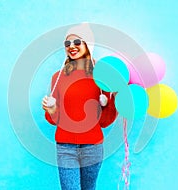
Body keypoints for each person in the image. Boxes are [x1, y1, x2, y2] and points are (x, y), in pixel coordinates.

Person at [42, 23, 117, 190]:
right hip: (65, 147)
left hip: (93, 147)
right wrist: (52, 109)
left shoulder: (101, 74)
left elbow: (104, 122)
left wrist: (111, 100)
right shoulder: (58, 76)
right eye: (67, 44)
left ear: (88, 44)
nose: (71, 47)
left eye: (77, 42)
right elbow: (53, 119)